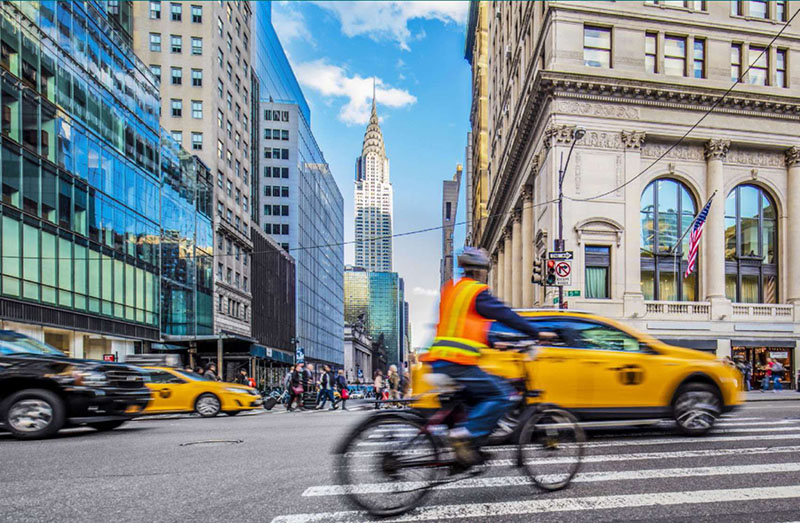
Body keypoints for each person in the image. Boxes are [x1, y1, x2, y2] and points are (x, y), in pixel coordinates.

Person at [419, 247, 552, 470]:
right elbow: (505, 314)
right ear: (481, 271)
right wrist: (536, 333)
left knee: (473, 401)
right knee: (502, 395)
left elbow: (464, 327)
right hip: (458, 362)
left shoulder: (453, 291)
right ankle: (465, 437)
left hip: (440, 361)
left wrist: (497, 342)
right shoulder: (476, 292)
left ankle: (466, 452)